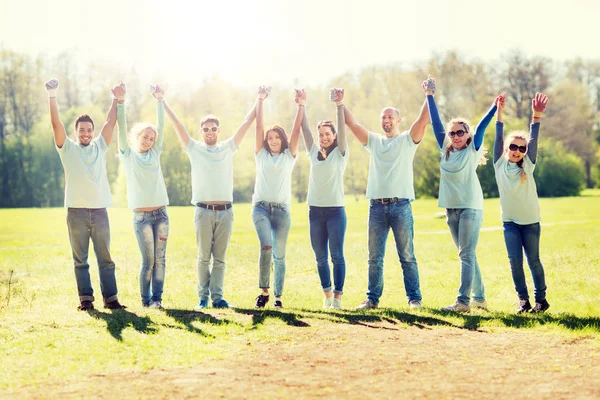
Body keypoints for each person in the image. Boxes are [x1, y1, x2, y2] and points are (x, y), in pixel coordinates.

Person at [163, 86, 259, 310]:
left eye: (213, 128)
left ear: (218, 130)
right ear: (201, 131)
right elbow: (177, 125)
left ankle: (217, 298)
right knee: (203, 258)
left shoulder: (228, 147)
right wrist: (163, 100)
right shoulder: (194, 148)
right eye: (205, 129)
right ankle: (203, 298)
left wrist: (259, 99)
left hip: (226, 212)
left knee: (220, 258)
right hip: (203, 212)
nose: (209, 132)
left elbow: (246, 123)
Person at [340, 81, 430, 310]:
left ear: (398, 120)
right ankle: (372, 299)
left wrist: (429, 95)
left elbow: (422, 121)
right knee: (374, 258)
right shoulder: (374, 141)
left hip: (401, 207)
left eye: (390, 117)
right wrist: (340, 103)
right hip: (377, 208)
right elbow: (351, 123)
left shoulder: (407, 140)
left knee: (407, 256)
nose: (386, 120)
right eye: (383, 117)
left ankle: (414, 299)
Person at [46, 78, 126, 311]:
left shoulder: (100, 146)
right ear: (76, 131)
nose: (86, 133)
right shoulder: (67, 148)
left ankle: (111, 299)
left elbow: (111, 122)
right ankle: (86, 300)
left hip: (100, 212)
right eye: (82, 130)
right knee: (81, 261)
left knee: (106, 260)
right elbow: (55, 124)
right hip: (76, 213)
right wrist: (52, 94)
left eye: (89, 129)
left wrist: (116, 99)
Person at [425, 76, 501, 313]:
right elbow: (436, 122)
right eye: (453, 133)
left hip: (470, 208)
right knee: (466, 255)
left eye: (460, 132)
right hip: (451, 210)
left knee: (466, 254)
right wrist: (429, 96)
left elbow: (481, 127)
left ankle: (462, 302)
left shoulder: (472, 149)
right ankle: (479, 298)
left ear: (467, 135)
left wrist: (494, 107)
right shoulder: (445, 150)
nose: (456, 136)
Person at [494, 92, 550, 313]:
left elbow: (534, 139)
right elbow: (498, 135)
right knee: (515, 262)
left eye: (522, 148)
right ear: (506, 148)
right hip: (510, 223)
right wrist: (499, 111)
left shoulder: (528, 165)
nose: (517, 151)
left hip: (530, 223)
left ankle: (541, 300)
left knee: (534, 261)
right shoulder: (499, 164)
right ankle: (523, 301)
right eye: (513, 147)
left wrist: (536, 116)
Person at [116, 83, 169, 309]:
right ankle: (145, 301)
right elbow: (121, 128)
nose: (148, 141)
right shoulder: (127, 155)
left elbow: (162, 126)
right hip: (142, 218)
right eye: (145, 136)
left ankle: (157, 300)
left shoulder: (155, 153)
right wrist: (120, 103)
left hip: (161, 215)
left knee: (160, 260)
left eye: (151, 138)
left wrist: (159, 100)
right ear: (137, 136)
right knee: (148, 262)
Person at [252, 86, 302, 309]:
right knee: (266, 247)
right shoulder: (260, 155)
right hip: (261, 208)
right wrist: (260, 100)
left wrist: (301, 105)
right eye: (269, 138)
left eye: (276, 137)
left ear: (282, 139)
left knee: (280, 256)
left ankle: (279, 297)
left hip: (282, 211)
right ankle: (264, 291)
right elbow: (259, 126)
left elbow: (297, 130)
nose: (272, 140)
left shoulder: (288, 156)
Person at [300, 88, 348, 309]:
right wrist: (301, 104)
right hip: (315, 212)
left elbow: (343, 128)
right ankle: (327, 295)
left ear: (335, 135)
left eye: (328, 134)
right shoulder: (312, 152)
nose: (324, 137)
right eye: (321, 134)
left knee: (336, 255)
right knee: (320, 257)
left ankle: (338, 297)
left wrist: (339, 105)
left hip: (335, 212)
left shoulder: (340, 153)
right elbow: (304, 128)